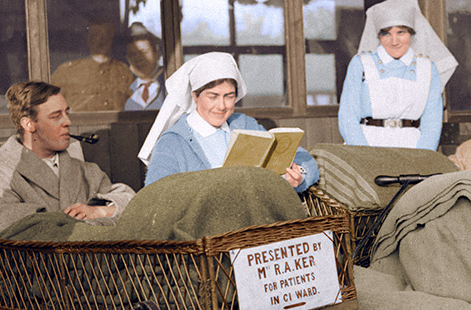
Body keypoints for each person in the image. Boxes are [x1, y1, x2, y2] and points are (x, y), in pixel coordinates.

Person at [139, 52, 318, 192]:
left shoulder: (244, 125)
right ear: (195, 96)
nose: (222, 106)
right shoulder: (173, 142)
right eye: (213, 96)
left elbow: (306, 161)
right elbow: (155, 197)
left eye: (229, 96)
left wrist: (300, 177)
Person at [0, 80, 136, 233]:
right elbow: (1, 219)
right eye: (56, 116)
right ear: (29, 124)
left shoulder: (86, 171)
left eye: (67, 113)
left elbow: (132, 201)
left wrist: (99, 211)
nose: (68, 122)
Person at [337, 0, 457, 151]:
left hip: (413, 147)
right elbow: (348, 118)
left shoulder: (427, 68)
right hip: (368, 144)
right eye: (386, 33)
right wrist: (364, 154)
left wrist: (423, 155)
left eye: (401, 32)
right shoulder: (361, 64)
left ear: (412, 34)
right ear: (379, 36)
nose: (394, 41)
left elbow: (432, 121)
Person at [51, 19, 135, 112]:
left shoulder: (123, 71)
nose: (100, 41)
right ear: (87, 38)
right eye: (95, 35)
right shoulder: (67, 72)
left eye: (106, 36)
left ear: (112, 39)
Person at [123, 23, 165, 111]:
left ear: (157, 53)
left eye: (144, 52)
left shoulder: (168, 83)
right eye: (133, 55)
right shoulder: (125, 88)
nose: (139, 59)